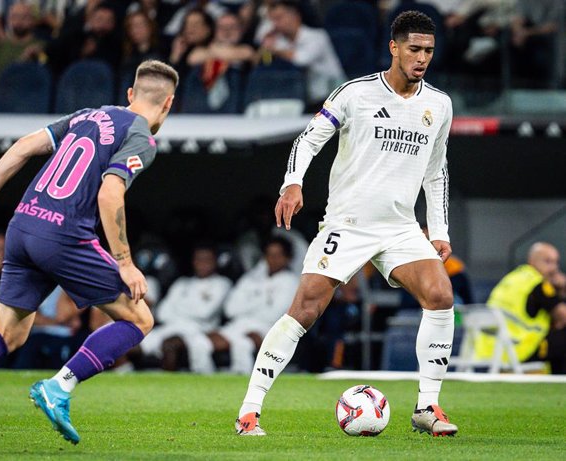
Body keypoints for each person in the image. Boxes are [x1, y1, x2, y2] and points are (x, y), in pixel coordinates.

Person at [0, 60, 179, 451]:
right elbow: (109, 192)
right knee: (139, 318)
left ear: (129, 94)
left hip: (21, 227)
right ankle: (59, 386)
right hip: (64, 235)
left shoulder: (90, 114)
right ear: (169, 103)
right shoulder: (142, 137)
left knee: (9, 333)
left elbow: (23, 146)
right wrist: (125, 261)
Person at [235, 11, 458, 437]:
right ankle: (249, 411)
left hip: (399, 226)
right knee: (305, 309)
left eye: (429, 50)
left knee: (440, 294)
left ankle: (427, 407)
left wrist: (439, 229)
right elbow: (309, 138)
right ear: (393, 48)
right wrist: (292, 183)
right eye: (414, 49)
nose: (422, 58)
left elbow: (437, 171)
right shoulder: (355, 93)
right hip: (348, 222)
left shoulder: (439, 104)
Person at [208, 236, 299, 374]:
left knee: (243, 343)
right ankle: (204, 382)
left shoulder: (291, 281)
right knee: (200, 342)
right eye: (269, 254)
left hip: (268, 329)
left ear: (287, 258)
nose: (273, 259)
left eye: (277, 255)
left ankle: (242, 383)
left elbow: (273, 315)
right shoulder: (251, 278)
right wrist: (261, 302)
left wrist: (248, 303)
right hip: (238, 325)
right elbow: (230, 309)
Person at [135, 243, 231, 373]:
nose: (202, 264)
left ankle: (167, 386)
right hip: (169, 327)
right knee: (131, 344)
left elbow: (204, 313)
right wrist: (191, 307)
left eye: (207, 260)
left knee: (170, 344)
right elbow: (162, 313)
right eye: (199, 260)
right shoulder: (182, 283)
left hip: (198, 330)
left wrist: (179, 307)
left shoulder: (222, 283)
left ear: (215, 262)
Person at [475, 242, 566, 374]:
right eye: (548, 261)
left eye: (556, 262)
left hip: (490, 349)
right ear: (532, 261)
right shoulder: (538, 284)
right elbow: (563, 316)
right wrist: (563, 289)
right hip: (520, 349)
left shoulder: (512, 278)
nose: (553, 268)